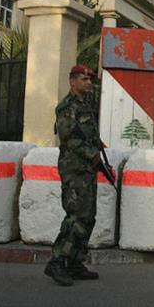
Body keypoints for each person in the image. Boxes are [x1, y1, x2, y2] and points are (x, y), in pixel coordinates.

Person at [45, 64, 103, 287]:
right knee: (76, 216)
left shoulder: (84, 106)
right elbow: (69, 138)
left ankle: (76, 261)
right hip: (74, 169)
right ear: (72, 81)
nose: (88, 83)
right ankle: (57, 261)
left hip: (87, 169)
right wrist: (92, 153)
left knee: (88, 216)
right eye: (84, 79)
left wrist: (97, 146)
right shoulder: (66, 106)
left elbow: (87, 134)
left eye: (89, 79)